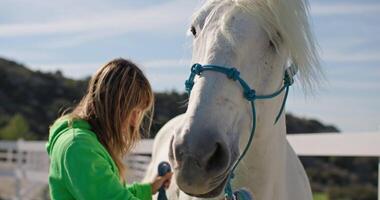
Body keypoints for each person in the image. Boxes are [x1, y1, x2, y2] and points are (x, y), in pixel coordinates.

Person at [46, 58, 172, 200]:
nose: (135, 121)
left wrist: (149, 189)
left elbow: (108, 192)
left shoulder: (83, 142)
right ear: (112, 105)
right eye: (133, 111)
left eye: (140, 113)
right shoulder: (78, 146)